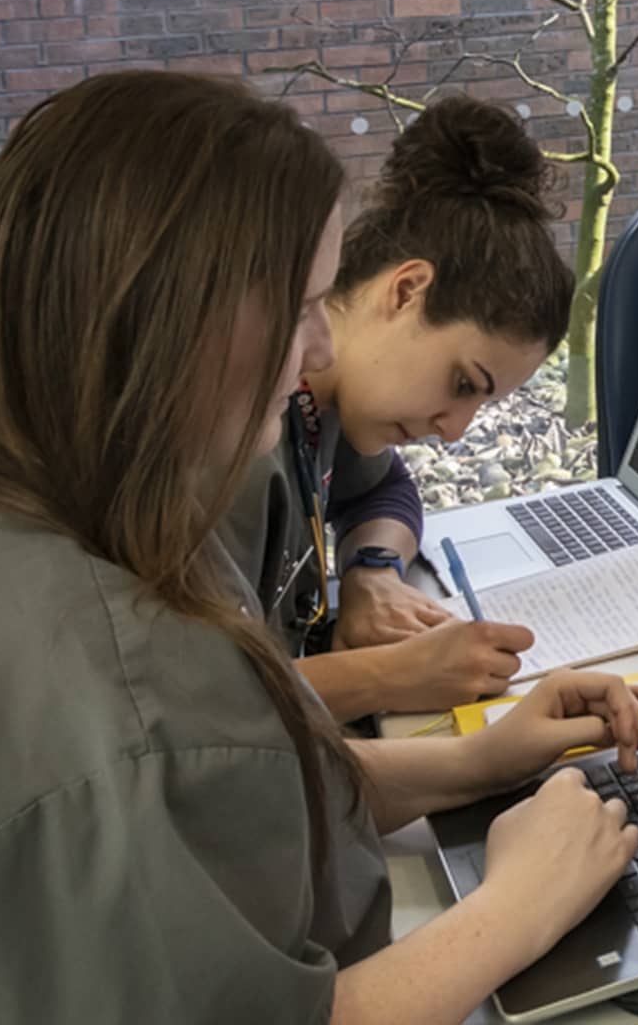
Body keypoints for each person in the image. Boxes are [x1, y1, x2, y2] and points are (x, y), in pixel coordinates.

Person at [0, 72, 638, 1022]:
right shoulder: (109, 699)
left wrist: (482, 764)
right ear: (178, 320)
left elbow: (241, 795)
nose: (317, 351)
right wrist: (520, 905)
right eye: (303, 305)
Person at [223, 96, 574, 722]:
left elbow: (384, 489)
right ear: (407, 290)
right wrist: (392, 674)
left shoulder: (329, 412)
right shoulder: (231, 440)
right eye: (464, 383)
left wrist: (374, 572)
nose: (454, 432)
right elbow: (207, 706)